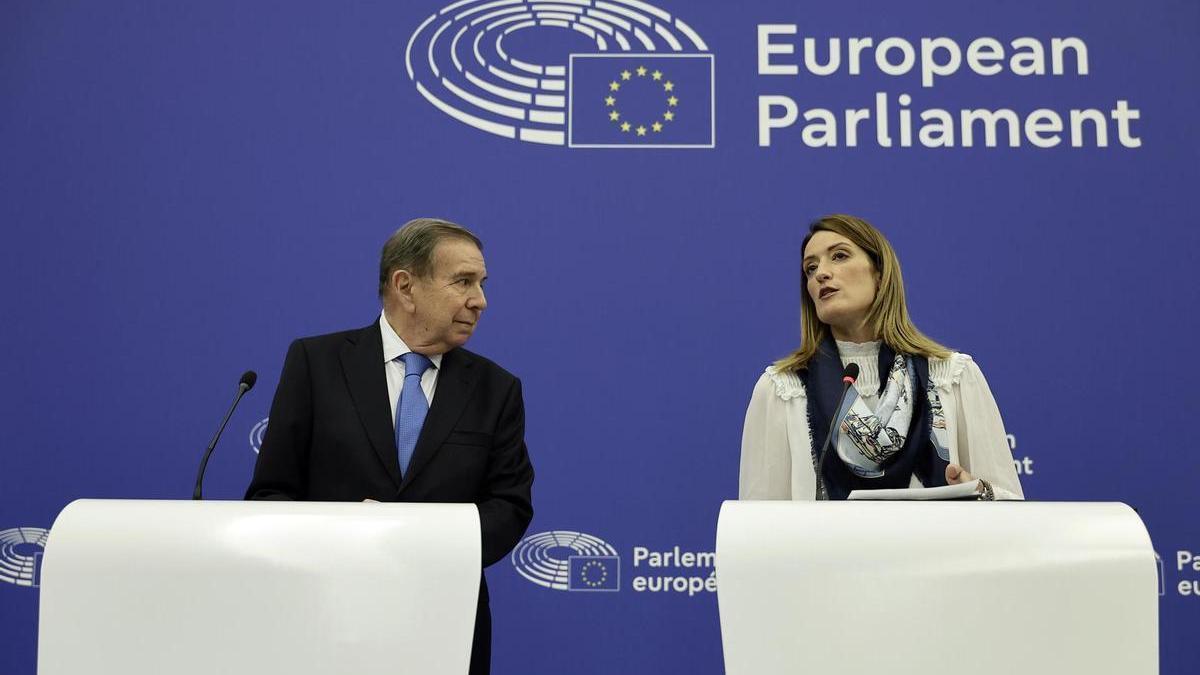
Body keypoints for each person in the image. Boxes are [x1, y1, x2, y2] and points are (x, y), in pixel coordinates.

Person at [246, 217, 534, 675]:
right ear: (405, 286)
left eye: (481, 283)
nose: (480, 300)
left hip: (442, 626)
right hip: (325, 620)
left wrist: (416, 538)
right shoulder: (316, 364)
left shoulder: (496, 389)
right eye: (463, 281)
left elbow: (509, 506)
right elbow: (269, 495)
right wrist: (345, 535)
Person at [739, 214, 1022, 501]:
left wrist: (979, 493)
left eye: (839, 256)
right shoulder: (782, 391)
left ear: (880, 273)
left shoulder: (952, 377)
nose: (821, 273)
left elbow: (1013, 509)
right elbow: (757, 520)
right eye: (810, 268)